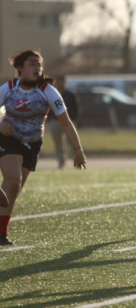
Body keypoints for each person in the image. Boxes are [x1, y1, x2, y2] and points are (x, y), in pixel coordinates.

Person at [0, 50, 86, 245]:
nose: (37, 68)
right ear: (20, 68)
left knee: (14, 191)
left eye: (39, 64)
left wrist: (78, 150)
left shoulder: (48, 91)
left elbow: (65, 122)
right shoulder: (9, 88)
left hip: (32, 143)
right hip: (9, 138)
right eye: (31, 64)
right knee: (12, 181)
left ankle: (1, 233)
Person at [46, 75, 80, 169]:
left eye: (62, 81)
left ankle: (76, 161)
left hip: (67, 121)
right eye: (58, 81)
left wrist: (73, 119)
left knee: (72, 142)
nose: (60, 84)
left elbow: (76, 108)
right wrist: (49, 119)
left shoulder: (70, 94)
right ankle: (61, 162)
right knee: (58, 143)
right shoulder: (53, 94)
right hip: (55, 121)